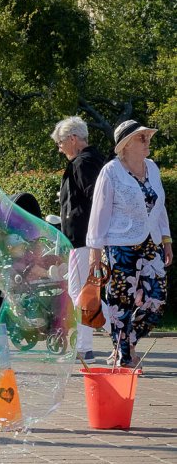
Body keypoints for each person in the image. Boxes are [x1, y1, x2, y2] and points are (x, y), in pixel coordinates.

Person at [86, 120, 171, 367]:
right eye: (140, 137)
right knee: (120, 303)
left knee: (157, 299)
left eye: (147, 136)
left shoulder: (152, 168)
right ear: (125, 145)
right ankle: (124, 359)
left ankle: (128, 342)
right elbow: (98, 214)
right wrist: (95, 255)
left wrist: (166, 239)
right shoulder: (111, 171)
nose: (147, 140)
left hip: (151, 242)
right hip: (119, 245)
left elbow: (160, 206)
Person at [52, 117, 106, 363]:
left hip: (82, 238)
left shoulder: (82, 163)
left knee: (80, 292)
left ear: (73, 139)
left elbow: (96, 199)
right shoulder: (93, 161)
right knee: (85, 291)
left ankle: (85, 347)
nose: (60, 147)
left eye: (61, 142)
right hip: (86, 237)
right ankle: (89, 343)